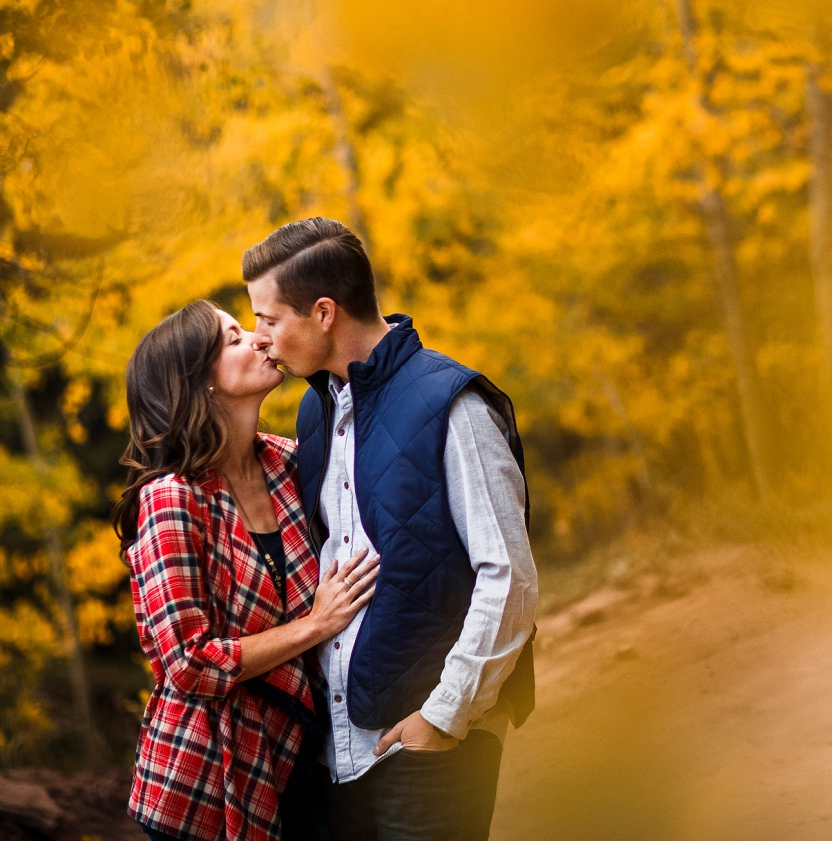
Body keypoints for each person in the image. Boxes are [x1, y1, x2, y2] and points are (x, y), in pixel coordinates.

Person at [243, 219, 538, 841]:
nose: (260, 339)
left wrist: (444, 716)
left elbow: (507, 575)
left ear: (323, 312)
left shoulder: (452, 402)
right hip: (339, 753)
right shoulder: (316, 410)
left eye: (269, 319)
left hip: (429, 745)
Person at [112, 300, 380, 841]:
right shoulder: (172, 499)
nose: (259, 340)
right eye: (234, 339)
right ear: (197, 381)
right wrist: (313, 626)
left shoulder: (290, 463)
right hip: (205, 782)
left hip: (303, 749)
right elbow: (189, 662)